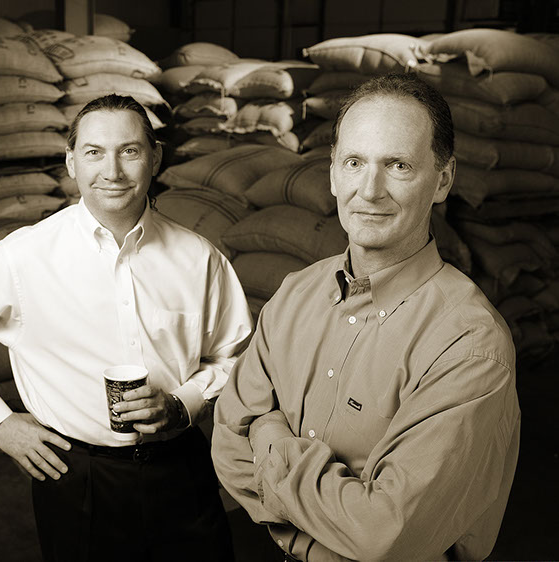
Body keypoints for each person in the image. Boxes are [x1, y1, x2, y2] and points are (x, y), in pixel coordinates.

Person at [0, 94, 252, 562]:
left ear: (155, 158)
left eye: (129, 151)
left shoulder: (199, 258)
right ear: (71, 162)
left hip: (180, 469)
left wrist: (183, 404)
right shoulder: (27, 255)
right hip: (77, 477)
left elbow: (235, 357)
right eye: (94, 152)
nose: (112, 171)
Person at [211, 73, 520, 561]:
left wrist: (268, 435)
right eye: (355, 163)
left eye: (398, 165)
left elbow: (384, 533)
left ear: (443, 180)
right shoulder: (294, 295)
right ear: (334, 173)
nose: (370, 190)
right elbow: (228, 447)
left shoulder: (470, 345)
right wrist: (329, 524)